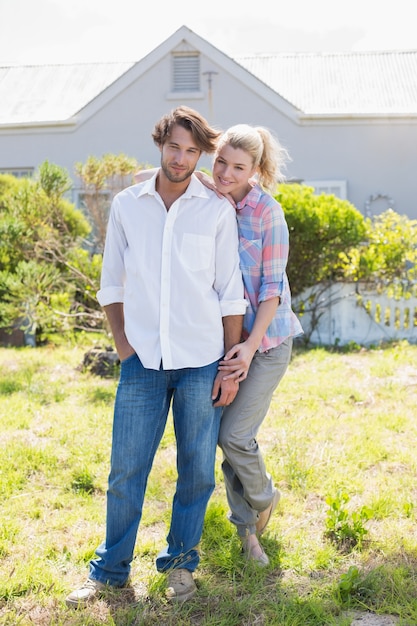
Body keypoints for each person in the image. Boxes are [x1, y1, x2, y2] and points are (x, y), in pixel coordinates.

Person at [66, 106, 247, 608]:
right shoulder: (128, 205)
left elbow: (230, 292)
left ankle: (181, 566)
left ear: (201, 155)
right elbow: (112, 284)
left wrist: (230, 364)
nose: (182, 159)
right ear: (160, 144)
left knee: (197, 472)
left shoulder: (214, 210)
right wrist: (125, 347)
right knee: (126, 470)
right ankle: (110, 571)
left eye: (193, 151)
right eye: (175, 147)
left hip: (201, 361)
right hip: (142, 363)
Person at [134, 123, 303, 566]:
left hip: (264, 343)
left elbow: (272, 290)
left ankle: (264, 496)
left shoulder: (267, 212)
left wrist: (248, 348)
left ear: (257, 170)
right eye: (221, 162)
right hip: (222, 342)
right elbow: (154, 179)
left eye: (239, 167)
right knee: (220, 439)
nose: (226, 173)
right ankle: (248, 534)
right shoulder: (211, 194)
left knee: (235, 435)